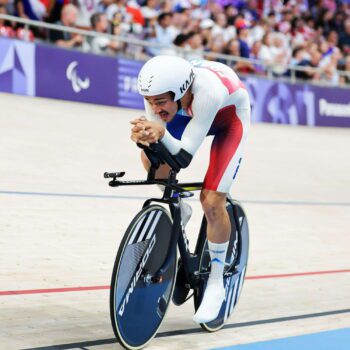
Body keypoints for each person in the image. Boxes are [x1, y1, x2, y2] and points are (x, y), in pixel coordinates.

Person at [130, 55, 250, 324]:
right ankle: (180, 209)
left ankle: (217, 283)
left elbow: (184, 157)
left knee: (211, 200)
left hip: (228, 120)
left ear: (182, 91)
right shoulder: (158, 92)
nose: (154, 107)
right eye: (150, 101)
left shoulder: (207, 92)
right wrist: (144, 140)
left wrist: (160, 133)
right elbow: (160, 147)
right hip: (188, 115)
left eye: (161, 102)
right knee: (150, 159)